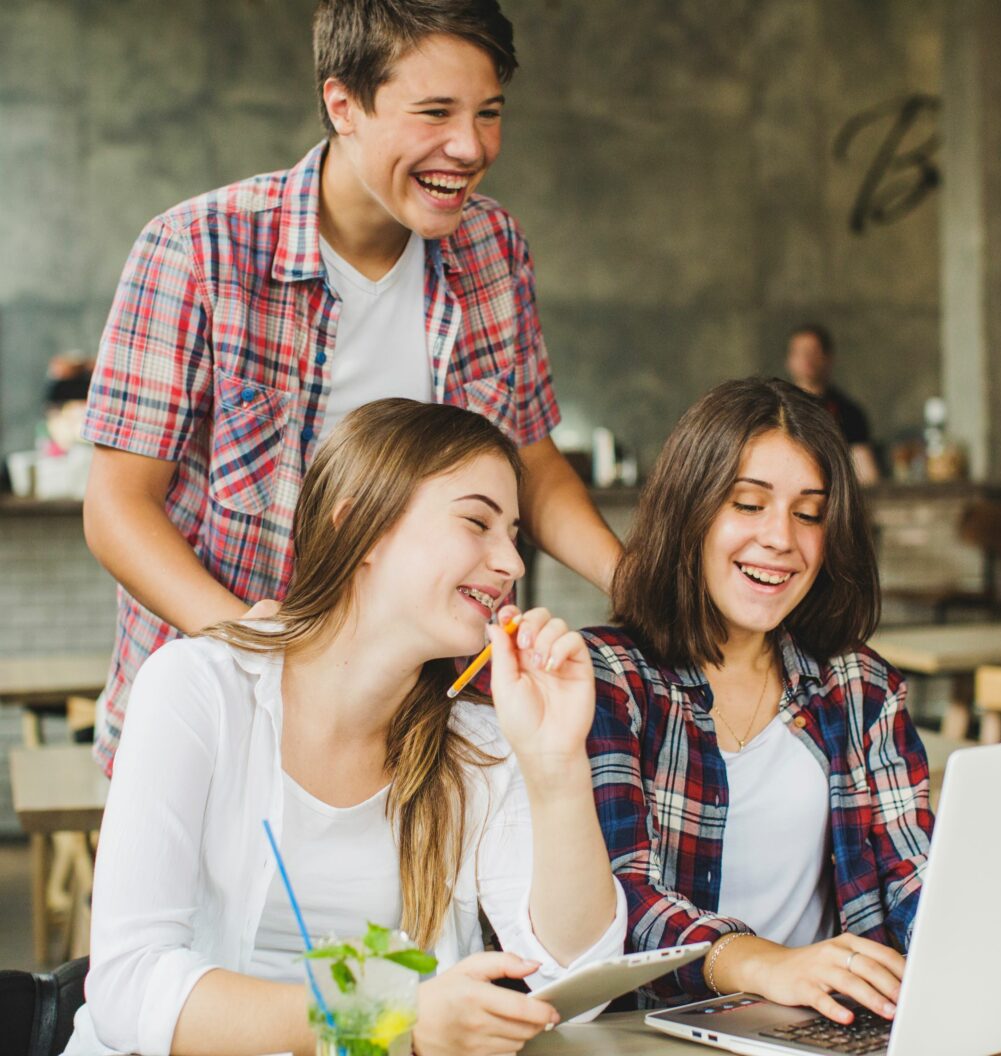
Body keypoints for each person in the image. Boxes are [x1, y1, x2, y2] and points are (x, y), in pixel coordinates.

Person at [81, 0, 622, 776]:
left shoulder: (493, 248)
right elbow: (117, 508)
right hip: (218, 713)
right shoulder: (199, 249)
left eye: (489, 113)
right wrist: (258, 643)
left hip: (418, 715)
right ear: (344, 104)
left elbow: (530, 463)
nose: (468, 147)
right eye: (434, 112)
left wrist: (633, 580)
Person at [66, 399, 626, 1056]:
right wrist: (389, 1014)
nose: (512, 562)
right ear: (360, 525)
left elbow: (577, 977)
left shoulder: (479, 743)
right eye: (477, 521)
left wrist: (556, 764)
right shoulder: (197, 689)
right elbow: (129, 988)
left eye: (514, 533)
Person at [585, 378, 932, 1024]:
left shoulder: (860, 686)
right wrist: (765, 961)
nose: (781, 538)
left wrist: (965, 940)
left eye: (809, 514)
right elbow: (613, 903)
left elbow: (915, 875)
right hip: (653, 1036)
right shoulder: (610, 677)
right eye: (748, 504)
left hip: (830, 1029)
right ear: (690, 510)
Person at [786, 323, 880, 485]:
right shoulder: (776, 408)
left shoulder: (849, 412)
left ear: (828, 358)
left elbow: (867, 475)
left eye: (813, 352)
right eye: (800, 352)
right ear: (789, 360)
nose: (807, 358)